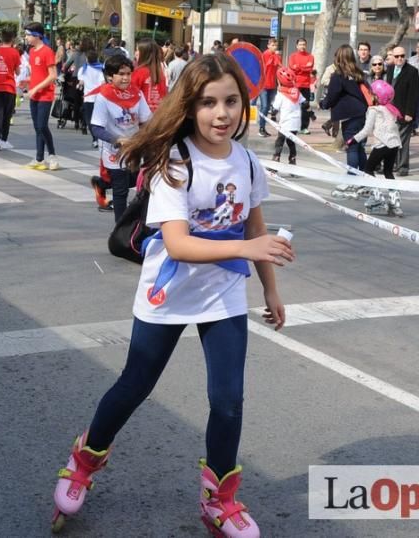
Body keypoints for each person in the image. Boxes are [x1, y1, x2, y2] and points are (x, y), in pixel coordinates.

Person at [50, 52, 293, 536]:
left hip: (222, 294)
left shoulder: (246, 162)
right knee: (134, 387)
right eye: (208, 103)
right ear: (189, 106)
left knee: (228, 400)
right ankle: (83, 462)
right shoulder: (175, 163)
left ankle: (218, 499)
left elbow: (255, 225)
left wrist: (271, 288)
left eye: (230, 102)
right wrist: (249, 247)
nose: (221, 114)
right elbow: (178, 244)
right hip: (167, 293)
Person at [88, 53, 152, 221]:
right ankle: (121, 230)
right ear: (110, 76)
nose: (126, 78)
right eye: (121, 74)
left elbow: (146, 121)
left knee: (137, 181)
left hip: (135, 148)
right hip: (113, 149)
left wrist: (148, 137)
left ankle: (101, 183)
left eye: (128, 74)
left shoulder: (137, 94)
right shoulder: (103, 96)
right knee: (121, 191)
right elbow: (96, 128)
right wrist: (117, 140)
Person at [350, 79, 404, 217]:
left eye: (372, 93)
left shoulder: (373, 110)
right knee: (388, 172)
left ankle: (377, 197)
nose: (370, 95)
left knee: (368, 170)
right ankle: (395, 202)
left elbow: (367, 130)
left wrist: (353, 140)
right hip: (394, 144)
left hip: (382, 144)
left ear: (377, 96)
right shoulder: (391, 109)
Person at [321, 44, 370, 172]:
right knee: (359, 147)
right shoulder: (358, 73)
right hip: (362, 113)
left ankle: (352, 178)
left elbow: (333, 95)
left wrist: (324, 104)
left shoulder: (338, 75)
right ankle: (366, 176)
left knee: (352, 147)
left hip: (350, 115)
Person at [24, 21, 59, 170]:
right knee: (37, 127)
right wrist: (27, 82)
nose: (25, 38)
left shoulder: (47, 51)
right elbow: (36, 74)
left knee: (42, 126)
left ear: (37, 36)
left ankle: (52, 156)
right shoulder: (32, 52)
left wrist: (36, 88)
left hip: (45, 95)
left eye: (27, 35)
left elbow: (53, 76)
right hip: (34, 95)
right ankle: (39, 158)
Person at [384, 45, 419, 176]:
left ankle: (403, 167)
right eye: (397, 56)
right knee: (391, 139)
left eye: (402, 56)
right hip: (390, 112)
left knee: (403, 141)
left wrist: (409, 113)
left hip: (404, 112)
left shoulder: (412, 71)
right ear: (392, 57)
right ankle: (393, 164)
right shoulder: (389, 68)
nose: (400, 58)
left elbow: (414, 94)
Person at [0, 29, 22, 151]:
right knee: (7, 115)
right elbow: (18, 72)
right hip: (9, 87)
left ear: (1, 39)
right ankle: (4, 139)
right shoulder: (15, 52)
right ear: (12, 39)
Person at [270, 66, 303, 166]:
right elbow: (305, 104)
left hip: (285, 123)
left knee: (279, 142)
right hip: (296, 122)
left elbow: (275, 108)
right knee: (291, 142)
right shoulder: (296, 92)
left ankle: (275, 161)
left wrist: (273, 115)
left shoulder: (281, 94)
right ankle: (292, 160)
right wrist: (312, 115)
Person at [78, 46, 106, 148]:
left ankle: (95, 139)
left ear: (87, 59)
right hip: (99, 98)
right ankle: (99, 138)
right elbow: (103, 83)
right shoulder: (100, 69)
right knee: (99, 119)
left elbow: (81, 82)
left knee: (89, 120)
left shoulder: (83, 70)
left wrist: (79, 85)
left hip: (88, 98)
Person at [132, 38, 168, 112]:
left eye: (137, 50)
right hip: (158, 114)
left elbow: (132, 95)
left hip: (142, 116)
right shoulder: (159, 72)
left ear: (144, 53)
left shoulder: (139, 72)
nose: (135, 53)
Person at [287, 37, 314, 134]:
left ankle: (304, 127)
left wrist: (299, 68)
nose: (302, 46)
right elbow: (292, 67)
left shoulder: (310, 56)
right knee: (293, 106)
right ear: (297, 46)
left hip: (306, 85)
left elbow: (309, 68)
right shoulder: (292, 56)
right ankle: (291, 126)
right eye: (300, 44)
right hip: (295, 84)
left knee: (305, 106)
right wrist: (303, 68)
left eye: (304, 44)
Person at [257, 37, 281, 138]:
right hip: (264, 85)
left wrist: (279, 84)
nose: (274, 47)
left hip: (273, 85)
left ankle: (262, 125)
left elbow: (279, 69)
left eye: (275, 45)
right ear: (268, 46)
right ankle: (261, 128)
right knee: (265, 106)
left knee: (269, 107)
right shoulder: (265, 55)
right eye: (272, 45)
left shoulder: (277, 56)